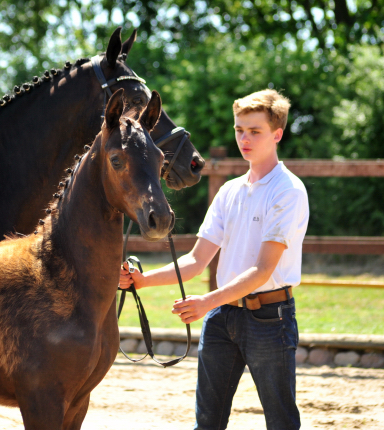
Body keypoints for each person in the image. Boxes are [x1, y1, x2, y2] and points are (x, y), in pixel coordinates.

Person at [119, 89, 309, 430]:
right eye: (239, 130)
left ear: (277, 134)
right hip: (222, 319)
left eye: (255, 131)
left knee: (280, 422)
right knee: (207, 422)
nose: (244, 138)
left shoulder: (288, 191)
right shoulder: (230, 191)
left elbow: (263, 269)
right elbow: (195, 260)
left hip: (269, 319)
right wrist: (142, 280)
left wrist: (207, 301)